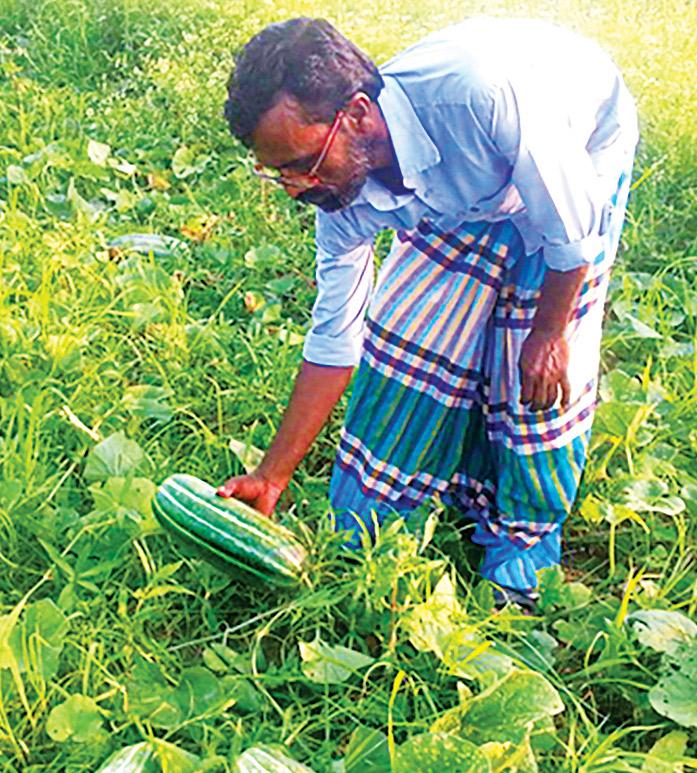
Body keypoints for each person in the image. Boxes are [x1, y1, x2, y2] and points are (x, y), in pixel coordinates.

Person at [216, 16, 638, 609]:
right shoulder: (340, 192)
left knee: (529, 368)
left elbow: (571, 235)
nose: (292, 187)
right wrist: (272, 474)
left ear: (359, 115)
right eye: (276, 170)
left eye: (302, 163)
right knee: (412, 340)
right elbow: (337, 341)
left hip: (574, 143)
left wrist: (549, 335)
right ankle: (394, 511)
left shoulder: (479, 97)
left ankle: (522, 540)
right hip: (460, 180)